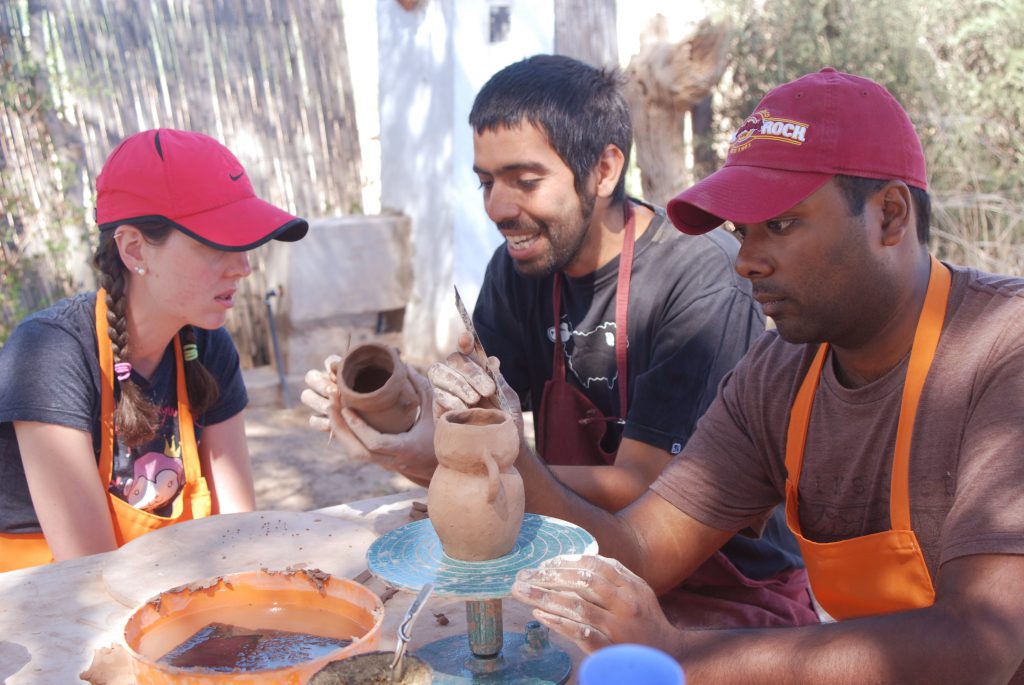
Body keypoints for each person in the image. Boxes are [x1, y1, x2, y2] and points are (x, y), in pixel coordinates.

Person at [505, 68, 1024, 684]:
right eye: (740, 232)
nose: (747, 261)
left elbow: (979, 644)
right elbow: (640, 551)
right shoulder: (777, 376)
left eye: (779, 225)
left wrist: (682, 653)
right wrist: (508, 457)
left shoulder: (1004, 349)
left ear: (889, 216)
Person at [304, 54, 818, 629]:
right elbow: (467, 415)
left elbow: (643, 492)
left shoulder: (698, 280)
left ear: (603, 169)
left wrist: (461, 464)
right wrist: (389, 416)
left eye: (524, 181)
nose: (498, 208)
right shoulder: (519, 267)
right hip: (571, 567)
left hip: (716, 589)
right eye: (485, 182)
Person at [0, 129, 308, 572]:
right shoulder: (50, 354)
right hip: (47, 614)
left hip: (157, 595)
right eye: (217, 242)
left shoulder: (206, 345)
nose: (243, 268)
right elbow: (90, 578)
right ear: (133, 249)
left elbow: (240, 536)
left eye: (244, 245)